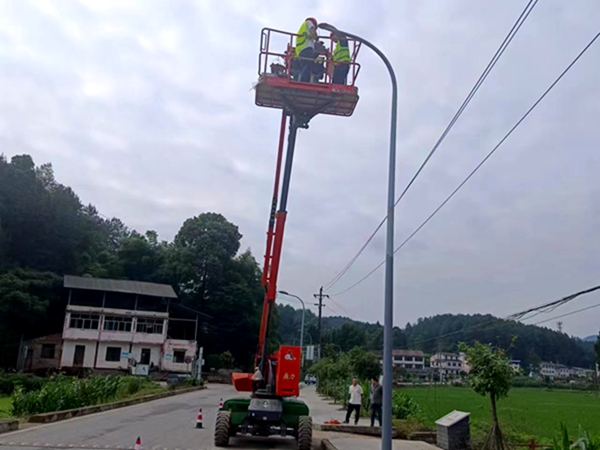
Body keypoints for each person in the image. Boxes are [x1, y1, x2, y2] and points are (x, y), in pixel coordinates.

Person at [294, 17, 318, 82]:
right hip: (306, 48)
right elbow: (313, 32)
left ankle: (303, 81)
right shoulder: (309, 22)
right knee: (307, 68)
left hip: (301, 51)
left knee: (305, 67)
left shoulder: (303, 29)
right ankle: (304, 82)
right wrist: (316, 38)